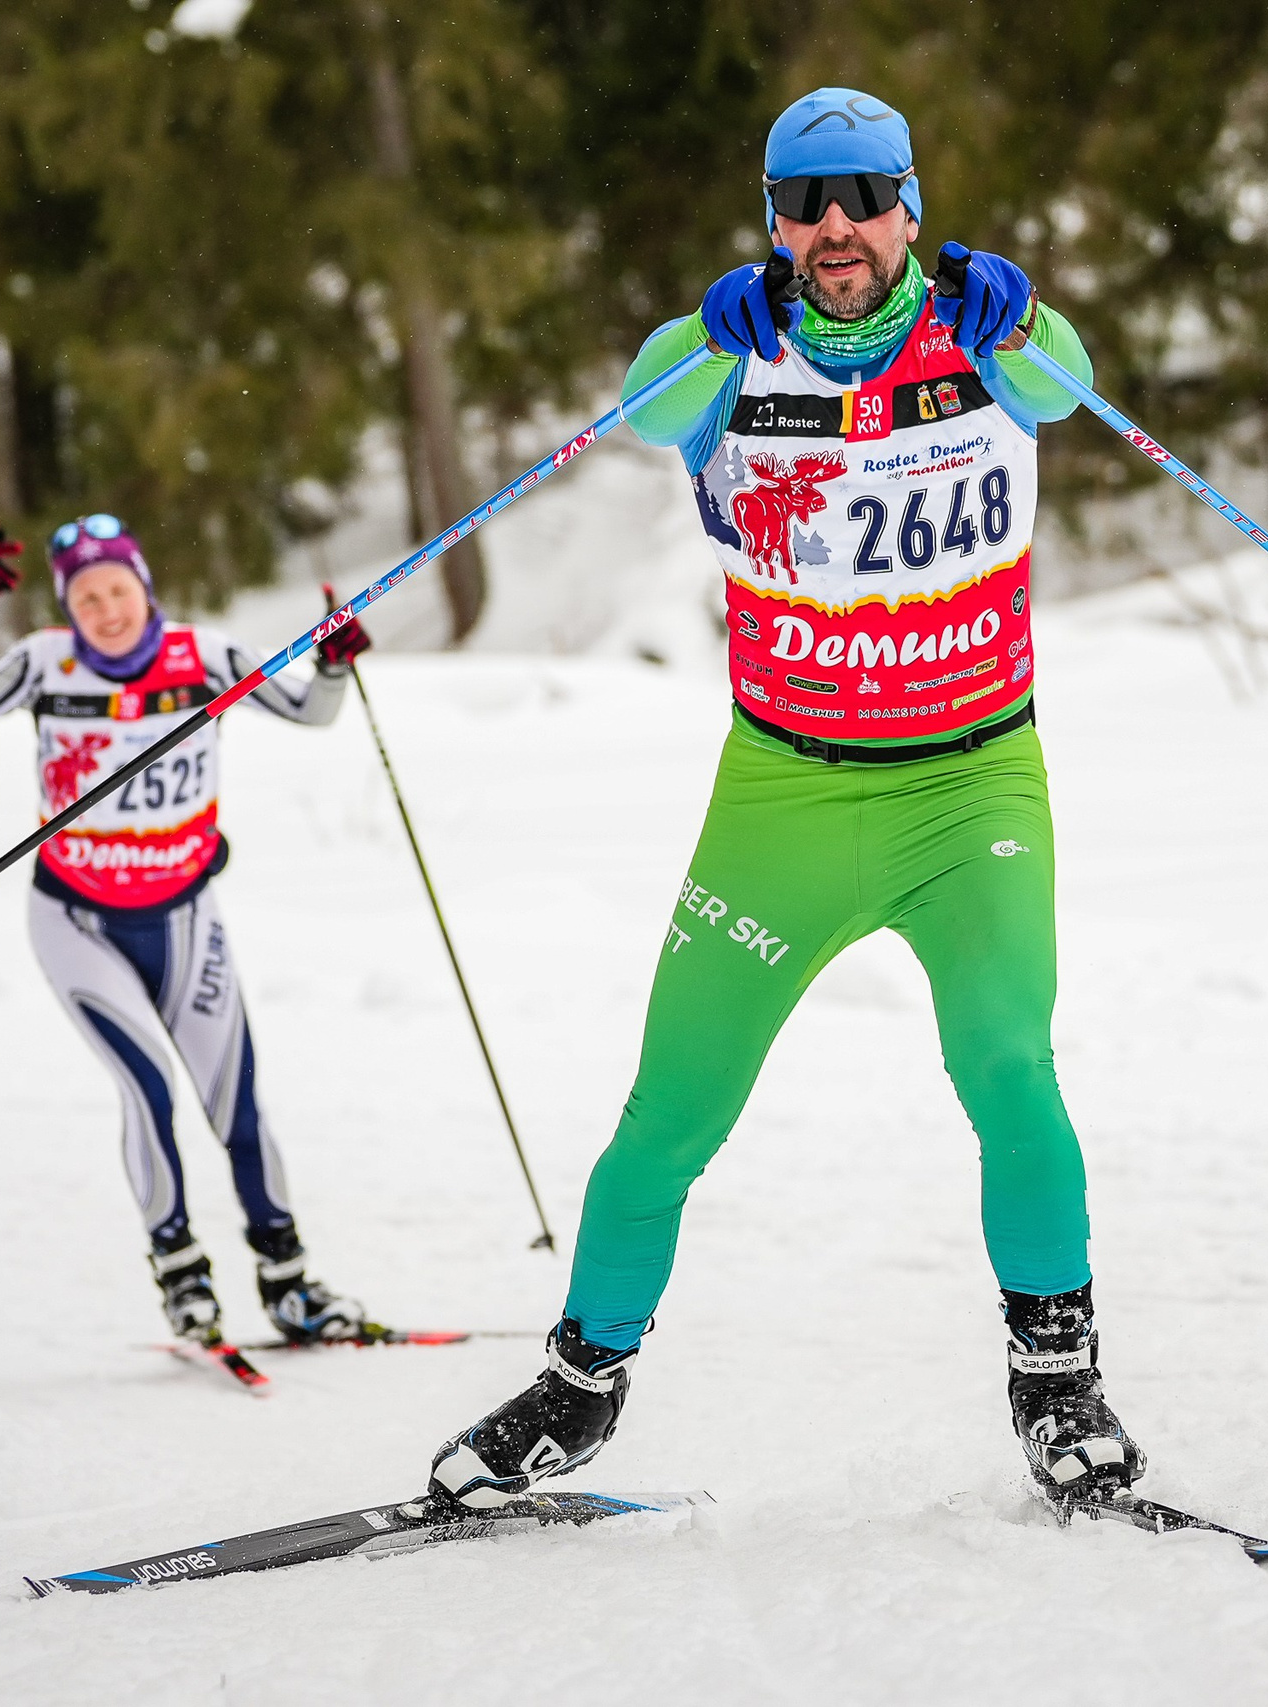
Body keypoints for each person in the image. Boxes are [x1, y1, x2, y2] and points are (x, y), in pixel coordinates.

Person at [430, 89, 1135, 1510]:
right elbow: (646, 406)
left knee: (1013, 1072)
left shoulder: (994, 339)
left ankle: (1059, 1383)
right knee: (668, 1117)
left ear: (910, 209)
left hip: (970, 784)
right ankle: (579, 1387)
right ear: (772, 218)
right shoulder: (726, 355)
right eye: (804, 201)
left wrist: (1023, 305)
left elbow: (1065, 382)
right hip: (783, 796)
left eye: (864, 195)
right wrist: (706, 328)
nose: (835, 228)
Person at [0, 515, 376, 1347]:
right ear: (67, 605)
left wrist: (336, 662)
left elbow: (311, 710)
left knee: (235, 1101)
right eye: (85, 596)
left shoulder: (206, 659)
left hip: (185, 916)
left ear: (145, 586)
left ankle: (289, 1279)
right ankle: (182, 1276)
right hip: (76, 924)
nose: (105, 608)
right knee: (149, 1088)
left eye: (117, 588)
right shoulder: (43, 664)